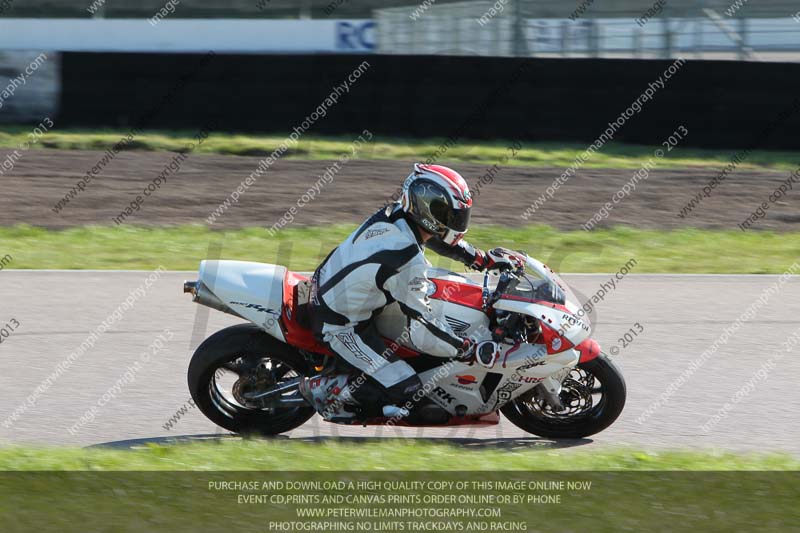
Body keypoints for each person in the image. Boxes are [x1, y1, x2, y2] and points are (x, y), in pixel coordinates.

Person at [305, 163, 523, 420]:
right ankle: (322, 389)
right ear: (426, 209)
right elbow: (423, 325)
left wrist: (481, 260)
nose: (457, 222)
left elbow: (439, 238)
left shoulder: (398, 215)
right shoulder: (406, 258)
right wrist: (465, 347)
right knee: (408, 388)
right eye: (451, 216)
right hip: (341, 324)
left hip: (348, 293)